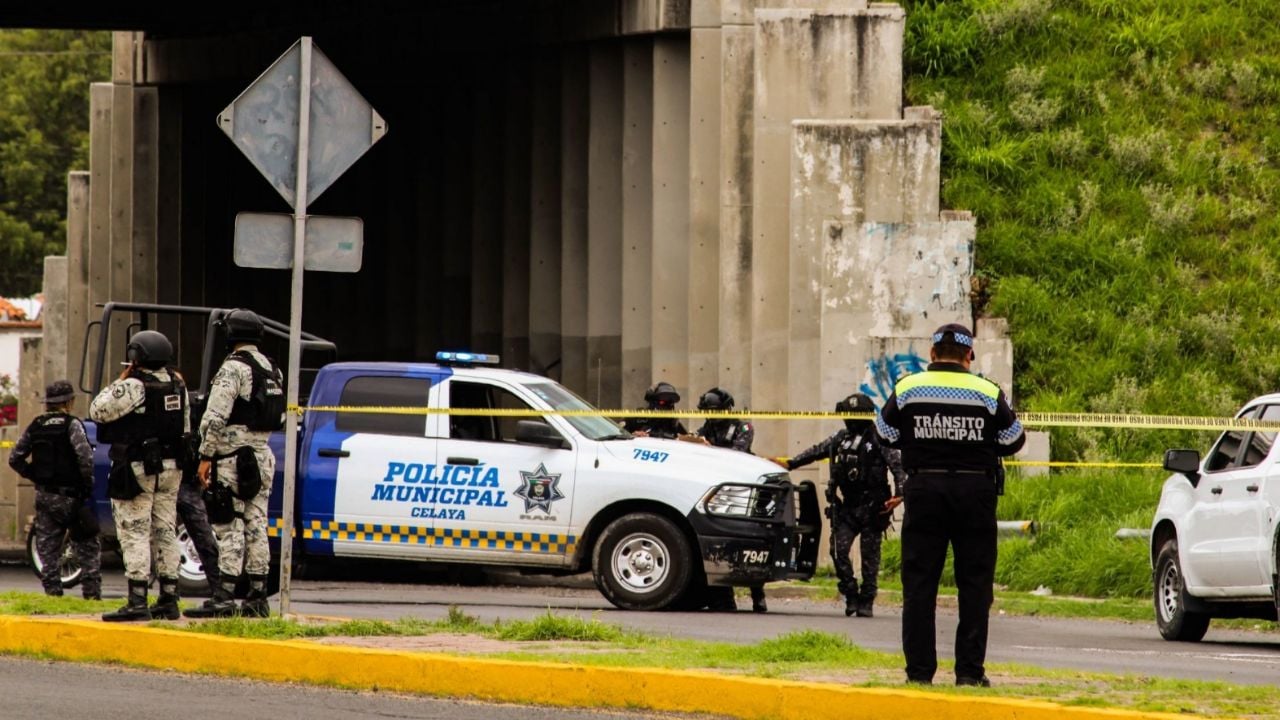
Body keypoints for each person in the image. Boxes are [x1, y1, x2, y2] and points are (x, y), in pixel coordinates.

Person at [874, 323, 1025, 687]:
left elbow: (883, 432)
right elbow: (1014, 439)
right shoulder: (987, 391)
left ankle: (919, 673)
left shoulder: (908, 387)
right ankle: (969, 674)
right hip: (975, 491)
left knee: (920, 584)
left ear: (932, 354)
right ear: (969, 355)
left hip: (924, 488)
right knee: (974, 585)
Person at [185, 309, 284, 619]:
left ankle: (225, 596)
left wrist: (204, 456)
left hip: (231, 459)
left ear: (231, 335)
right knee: (257, 526)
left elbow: (214, 418)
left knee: (229, 525)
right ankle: (257, 596)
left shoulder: (233, 368)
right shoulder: (272, 368)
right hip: (262, 456)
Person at [89, 331, 189, 621]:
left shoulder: (134, 385)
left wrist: (121, 379)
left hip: (139, 468)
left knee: (134, 531)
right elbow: (185, 424)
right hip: (171, 467)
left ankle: (137, 600)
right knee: (165, 530)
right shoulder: (177, 383)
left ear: (136, 356)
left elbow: (98, 409)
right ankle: (169, 598)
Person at [779, 392, 903, 618]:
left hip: (873, 507)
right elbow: (817, 451)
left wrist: (899, 494)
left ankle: (866, 600)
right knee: (838, 550)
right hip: (848, 507)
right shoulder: (841, 438)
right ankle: (850, 592)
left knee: (870, 558)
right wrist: (790, 463)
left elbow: (897, 466)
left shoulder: (878, 438)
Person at [9, 380, 102, 600]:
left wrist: (35, 475)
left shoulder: (36, 425)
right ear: (69, 402)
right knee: (88, 543)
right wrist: (87, 484)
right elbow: (86, 457)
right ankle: (91, 595)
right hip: (71, 496)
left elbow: (15, 458)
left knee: (48, 548)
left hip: (45, 495)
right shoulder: (72, 424)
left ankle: (52, 594)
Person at [694, 387, 767, 613]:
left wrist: (710, 449)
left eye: (716, 410)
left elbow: (739, 452)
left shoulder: (742, 427)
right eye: (709, 411)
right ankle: (724, 600)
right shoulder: (705, 429)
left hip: (742, 489)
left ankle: (758, 595)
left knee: (749, 542)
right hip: (716, 491)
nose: (713, 415)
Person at [177, 431, 221, 595]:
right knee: (164, 536)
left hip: (186, 471)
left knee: (203, 534)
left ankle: (220, 591)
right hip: (175, 468)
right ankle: (167, 596)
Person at [623, 382, 690, 440]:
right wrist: (633, 435)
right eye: (662, 402)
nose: (666, 406)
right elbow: (619, 436)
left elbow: (685, 439)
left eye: (670, 402)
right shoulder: (636, 417)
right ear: (652, 402)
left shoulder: (673, 422)